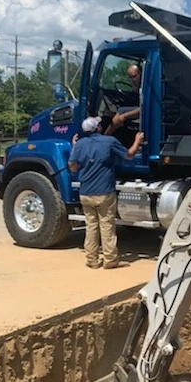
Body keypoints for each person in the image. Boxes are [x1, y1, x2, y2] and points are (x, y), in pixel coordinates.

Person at [68, 116, 145, 269]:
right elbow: (129, 155)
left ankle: (92, 260)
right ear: (98, 128)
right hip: (104, 192)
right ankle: (110, 260)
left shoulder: (80, 144)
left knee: (91, 226)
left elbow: (72, 166)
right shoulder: (109, 142)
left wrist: (75, 147)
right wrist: (138, 140)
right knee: (107, 225)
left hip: (85, 193)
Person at [105, 64, 141, 136]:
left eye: (134, 76)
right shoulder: (138, 87)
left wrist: (125, 116)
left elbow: (144, 107)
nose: (133, 80)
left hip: (145, 111)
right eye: (130, 78)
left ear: (141, 73)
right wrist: (135, 87)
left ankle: (106, 136)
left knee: (121, 111)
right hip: (138, 108)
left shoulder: (148, 87)